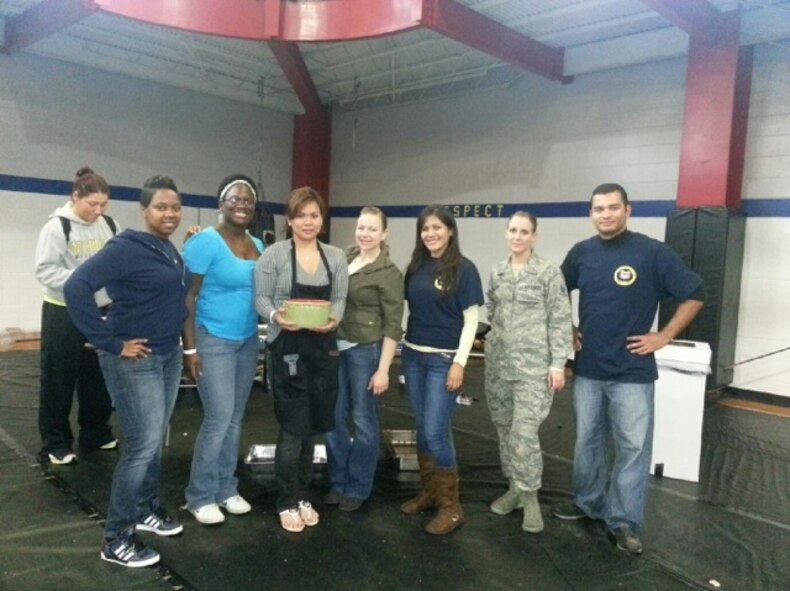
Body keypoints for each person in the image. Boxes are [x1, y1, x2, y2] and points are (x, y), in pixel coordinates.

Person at [553, 183, 703, 555]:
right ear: (591, 213)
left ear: (627, 210)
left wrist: (665, 335)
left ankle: (623, 520)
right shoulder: (581, 253)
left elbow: (695, 293)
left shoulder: (652, 252)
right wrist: (567, 327)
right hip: (588, 368)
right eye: (599, 208)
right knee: (587, 442)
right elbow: (556, 291)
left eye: (613, 207)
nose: (605, 214)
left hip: (633, 372)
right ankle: (588, 502)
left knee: (633, 448)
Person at [64, 175, 190, 568]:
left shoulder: (166, 247)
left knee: (153, 441)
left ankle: (146, 509)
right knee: (141, 446)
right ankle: (116, 537)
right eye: (161, 207)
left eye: (175, 207)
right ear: (144, 210)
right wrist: (110, 342)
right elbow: (76, 287)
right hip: (135, 359)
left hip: (167, 354)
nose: (170, 214)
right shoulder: (126, 247)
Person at [254, 187, 348, 533]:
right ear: (290, 220)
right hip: (287, 348)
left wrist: (334, 319)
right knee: (292, 428)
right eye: (301, 216)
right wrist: (276, 316)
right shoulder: (274, 255)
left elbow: (339, 298)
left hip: (322, 350)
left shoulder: (335, 257)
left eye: (314, 215)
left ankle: (303, 494)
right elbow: (261, 298)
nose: (308, 222)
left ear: (322, 219)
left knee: (312, 428)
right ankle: (286, 500)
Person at [182, 174, 264, 525]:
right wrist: (190, 350)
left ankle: (226, 489)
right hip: (212, 338)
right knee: (218, 418)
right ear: (221, 203)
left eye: (248, 200)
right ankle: (199, 496)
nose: (242, 205)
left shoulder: (258, 244)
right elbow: (187, 296)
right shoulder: (204, 242)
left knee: (234, 419)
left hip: (247, 340)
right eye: (235, 199)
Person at [485, 211, 573, 534]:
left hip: (533, 369)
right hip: (499, 365)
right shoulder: (497, 272)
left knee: (524, 433)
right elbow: (491, 309)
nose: (517, 236)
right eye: (513, 230)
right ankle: (514, 489)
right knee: (504, 428)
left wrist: (558, 363)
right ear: (505, 233)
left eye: (524, 231)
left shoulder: (548, 273)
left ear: (534, 236)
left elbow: (560, 318)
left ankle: (531, 495)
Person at [400, 205, 484, 535]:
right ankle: (430, 493)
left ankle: (451, 507)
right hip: (413, 356)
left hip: (444, 361)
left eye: (437, 227)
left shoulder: (464, 269)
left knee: (435, 431)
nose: (430, 233)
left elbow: (471, 320)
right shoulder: (415, 267)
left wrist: (459, 362)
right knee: (423, 428)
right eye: (425, 228)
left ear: (450, 231)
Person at [34, 167, 118, 465]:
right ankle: (56, 443)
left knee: (98, 375)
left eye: (103, 205)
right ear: (75, 197)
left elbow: (117, 263)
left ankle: (96, 433)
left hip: (101, 311)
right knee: (59, 377)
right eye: (92, 204)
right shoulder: (57, 227)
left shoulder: (110, 225)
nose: (98, 211)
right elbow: (45, 271)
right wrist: (83, 281)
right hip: (64, 311)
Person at [324, 207, 404, 512]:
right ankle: (338, 481)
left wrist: (383, 369)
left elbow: (393, 325)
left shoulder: (389, 273)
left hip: (365, 350)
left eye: (372, 229)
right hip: (335, 347)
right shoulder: (344, 258)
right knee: (332, 417)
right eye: (361, 227)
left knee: (363, 419)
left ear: (384, 233)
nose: (365, 234)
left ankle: (358, 486)